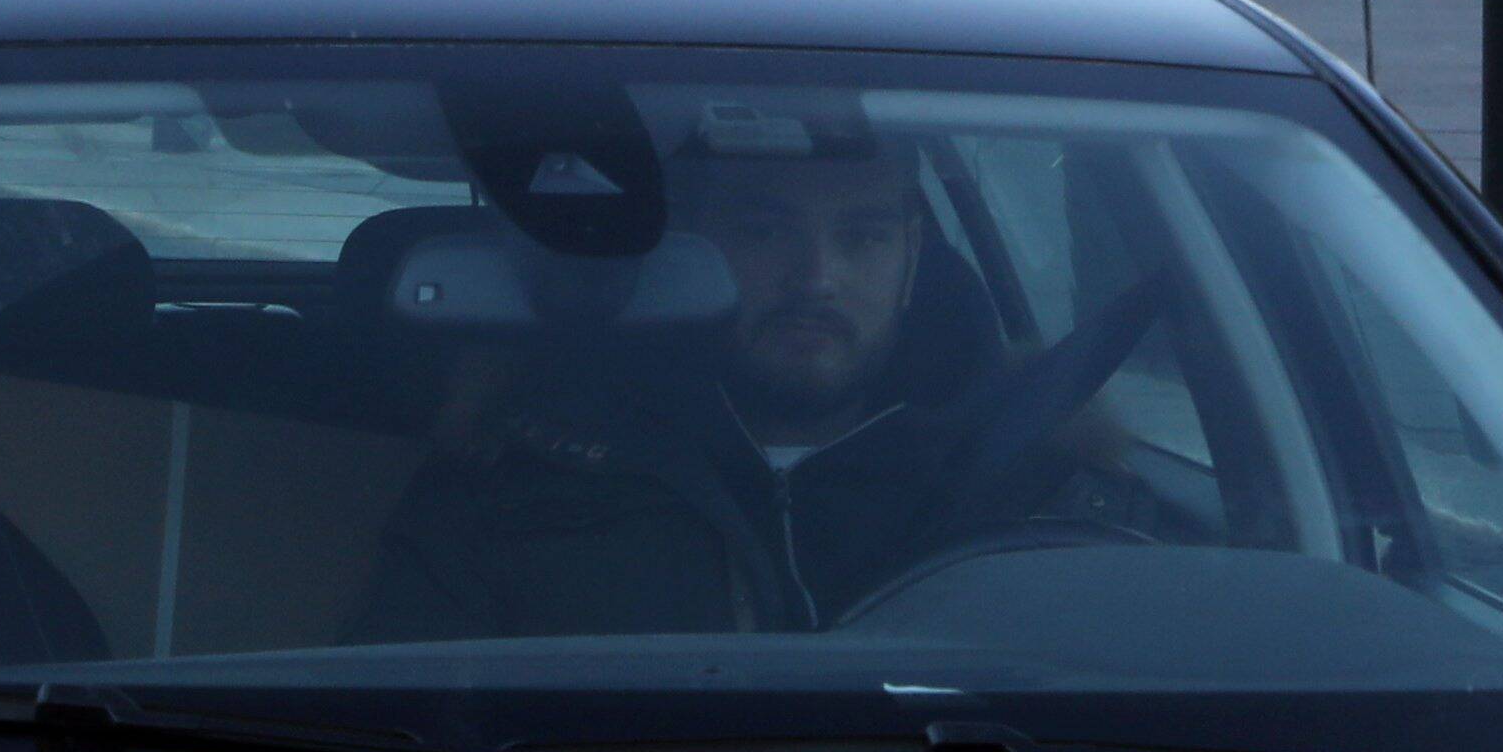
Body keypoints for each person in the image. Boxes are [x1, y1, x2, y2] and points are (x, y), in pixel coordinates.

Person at [368, 105, 1104, 641]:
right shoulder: (519, 479)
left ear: (912, 263)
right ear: (680, 249)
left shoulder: (1034, 493)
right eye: (764, 231)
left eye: (863, 238)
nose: (817, 278)